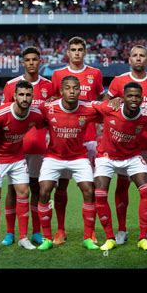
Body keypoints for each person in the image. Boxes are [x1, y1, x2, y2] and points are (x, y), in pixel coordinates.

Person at [106, 45, 147, 246]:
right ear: (129, 59)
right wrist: (112, 101)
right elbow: (108, 105)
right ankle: (121, 229)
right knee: (122, 186)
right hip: (124, 144)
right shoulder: (118, 81)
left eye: (142, 56)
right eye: (135, 55)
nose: (138, 59)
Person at [50, 37, 105, 245]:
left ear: (85, 51)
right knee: (60, 187)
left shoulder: (95, 73)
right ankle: (60, 230)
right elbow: (53, 104)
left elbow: (101, 101)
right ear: (67, 52)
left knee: (90, 188)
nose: (76, 53)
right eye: (73, 49)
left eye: (80, 49)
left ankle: (89, 232)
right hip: (64, 140)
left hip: (89, 139)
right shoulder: (58, 75)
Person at [36, 76, 101, 251]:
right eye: (67, 88)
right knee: (44, 191)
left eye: (75, 88)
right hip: (54, 157)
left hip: (78, 157)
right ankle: (48, 237)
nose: (71, 91)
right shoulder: (47, 107)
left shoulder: (88, 108)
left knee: (89, 190)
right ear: (61, 91)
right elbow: (30, 115)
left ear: (80, 90)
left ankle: (88, 237)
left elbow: (109, 110)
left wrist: (116, 101)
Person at [92, 82, 147, 251]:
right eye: (129, 96)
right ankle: (109, 238)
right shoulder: (109, 108)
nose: (134, 99)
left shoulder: (146, 118)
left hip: (132, 156)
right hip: (106, 156)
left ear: (142, 98)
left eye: (137, 96)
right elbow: (90, 104)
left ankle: (143, 237)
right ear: (122, 98)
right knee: (99, 193)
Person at [0, 80, 45, 253]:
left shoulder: (35, 115)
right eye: (21, 94)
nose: (25, 98)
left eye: (28, 95)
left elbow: (45, 124)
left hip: (17, 158)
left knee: (24, 192)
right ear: (14, 96)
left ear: (33, 96)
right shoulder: (0, 114)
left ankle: (23, 238)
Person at [1, 46, 54, 247]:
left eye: (35, 59)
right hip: (15, 148)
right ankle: (9, 233)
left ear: (40, 62)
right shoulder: (10, 86)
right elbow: (3, 114)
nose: (31, 63)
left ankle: (36, 232)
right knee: (13, 190)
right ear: (23, 62)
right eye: (28, 60)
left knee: (36, 189)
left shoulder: (49, 86)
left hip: (39, 147)